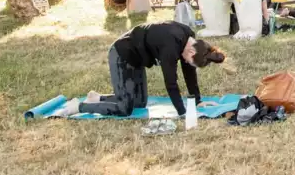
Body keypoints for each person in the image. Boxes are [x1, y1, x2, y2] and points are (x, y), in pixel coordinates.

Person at [75, 22, 225, 118]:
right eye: (187, 60)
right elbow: (171, 83)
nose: (185, 62)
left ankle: (97, 98)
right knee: (125, 109)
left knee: (139, 103)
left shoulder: (190, 39)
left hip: (137, 58)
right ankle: (78, 106)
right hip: (121, 54)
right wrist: (183, 113)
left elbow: (189, 73)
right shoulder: (170, 47)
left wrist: (197, 101)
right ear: (191, 52)